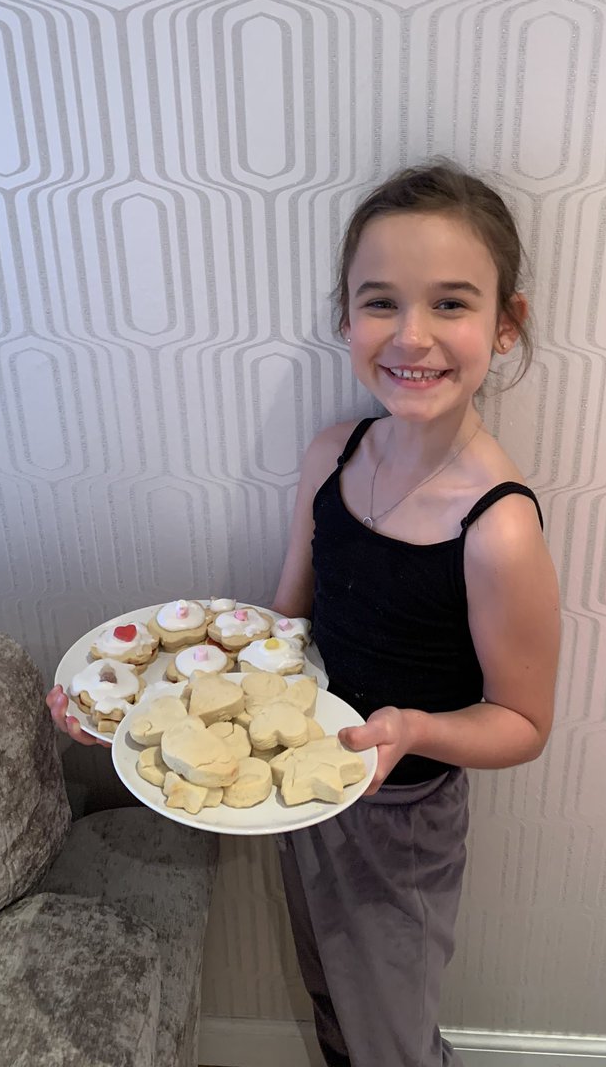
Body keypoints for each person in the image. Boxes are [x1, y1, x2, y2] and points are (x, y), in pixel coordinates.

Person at [47, 161, 560, 1067]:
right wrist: (127, 708)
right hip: (297, 791)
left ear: (506, 325)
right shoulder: (333, 455)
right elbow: (282, 631)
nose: (413, 335)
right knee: (328, 994)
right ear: (343, 317)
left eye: (451, 303)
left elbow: (522, 721)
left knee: (390, 1033)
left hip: (401, 815)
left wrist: (410, 729)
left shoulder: (500, 528)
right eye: (379, 302)